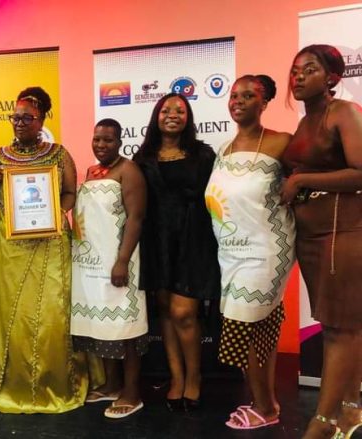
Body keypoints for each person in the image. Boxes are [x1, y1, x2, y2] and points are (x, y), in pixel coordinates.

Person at [0, 86, 88, 413]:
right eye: (15, 117)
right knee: (12, 316)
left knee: (51, 315)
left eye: (27, 118)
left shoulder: (58, 154)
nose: (19, 123)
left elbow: (70, 194)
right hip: (11, 248)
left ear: (42, 119)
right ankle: (11, 384)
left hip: (50, 245)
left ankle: (57, 384)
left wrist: (54, 216)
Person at [205, 75, 295, 429]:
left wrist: (297, 183)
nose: (238, 101)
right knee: (260, 330)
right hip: (230, 253)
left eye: (248, 95)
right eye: (234, 95)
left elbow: (303, 180)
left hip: (267, 249)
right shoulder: (224, 149)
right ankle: (266, 403)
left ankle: (265, 409)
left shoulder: (281, 142)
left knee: (245, 322)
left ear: (264, 102)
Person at [282, 44, 362, 439]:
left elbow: (361, 172)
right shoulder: (304, 121)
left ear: (332, 77)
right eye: (295, 70)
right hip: (311, 236)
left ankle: (324, 422)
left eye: (309, 69)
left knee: (342, 328)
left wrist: (301, 180)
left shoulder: (344, 112)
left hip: (342, 231)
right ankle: (350, 409)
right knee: (341, 324)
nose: (298, 76)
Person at [133, 93, 220, 411]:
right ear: (156, 116)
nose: (172, 114)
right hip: (156, 241)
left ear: (188, 117)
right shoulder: (143, 158)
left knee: (184, 313)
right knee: (166, 312)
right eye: (166, 110)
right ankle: (177, 378)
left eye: (180, 110)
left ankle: (194, 377)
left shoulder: (203, 154)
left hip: (193, 240)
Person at [71, 118, 148, 419]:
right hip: (90, 264)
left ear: (120, 142)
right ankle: (112, 385)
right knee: (103, 326)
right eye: (97, 139)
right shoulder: (92, 172)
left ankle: (132, 392)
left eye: (108, 140)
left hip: (117, 262)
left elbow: (136, 218)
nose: (101, 145)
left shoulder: (129, 171)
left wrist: (122, 260)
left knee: (125, 328)